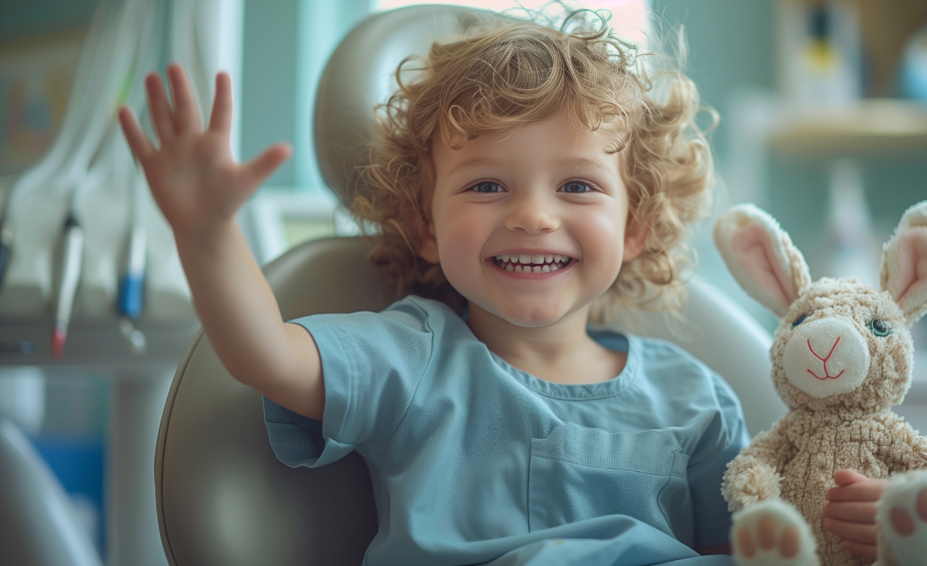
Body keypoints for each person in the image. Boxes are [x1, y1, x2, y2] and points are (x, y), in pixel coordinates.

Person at [118, 8, 885, 566]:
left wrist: (852, 539)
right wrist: (207, 233)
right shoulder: (413, 357)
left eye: (578, 187)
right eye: (486, 185)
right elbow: (264, 356)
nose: (532, 216)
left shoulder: (696, 396)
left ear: (636, 227)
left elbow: (748, 551)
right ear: (423, 225)